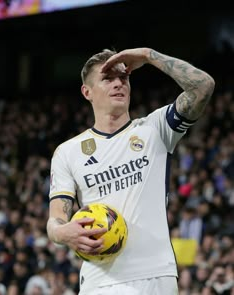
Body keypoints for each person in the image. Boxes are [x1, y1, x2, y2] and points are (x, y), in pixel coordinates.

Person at [46, 47, 215, 294]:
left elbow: (203, 86)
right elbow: (55, 221)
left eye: (123, 78)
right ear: (87, 92)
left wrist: (148, 55)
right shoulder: (67, 152)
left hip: (156, 276)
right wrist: (63, 232)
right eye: (107, 79)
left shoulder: (155, 129)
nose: (118, 84)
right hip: (99, 281)